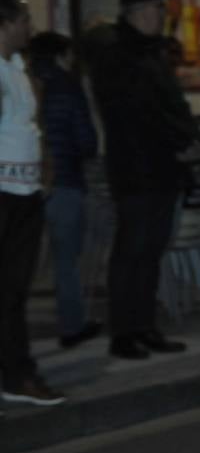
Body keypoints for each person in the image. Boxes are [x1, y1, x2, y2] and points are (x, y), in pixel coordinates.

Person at [87, 0, 199, 360]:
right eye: (154, 9)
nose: (160, 16)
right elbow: (139, 111)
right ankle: (124, 332)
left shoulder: (152, 53)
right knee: (131, 252)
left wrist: (189, 139)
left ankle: (145, 326)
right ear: (133, 12)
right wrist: (179, 141)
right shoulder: (118, 55)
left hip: (162, 168)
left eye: (161, 10)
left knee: (151, 251)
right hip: (137, 168)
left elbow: (173, 105)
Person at [0, 0, 66, 406]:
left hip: (24, 193)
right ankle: (18, 374)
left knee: (13, 291)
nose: (31, 28)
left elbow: (30, 128)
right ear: (4, 24)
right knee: (5, 292)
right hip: (3, 192)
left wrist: (44, 171)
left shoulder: (20, 68)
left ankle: (15, 375)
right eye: (24, 20)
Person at [30, 31, 101, 348]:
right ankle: (71, 328)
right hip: (65, 182)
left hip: (24, 183)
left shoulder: (20, 83)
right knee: (65, 261)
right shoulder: (68, 86)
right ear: (61, 55)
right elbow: (86, 141)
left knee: (19, 263)